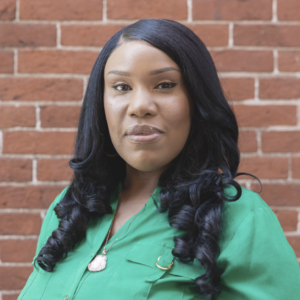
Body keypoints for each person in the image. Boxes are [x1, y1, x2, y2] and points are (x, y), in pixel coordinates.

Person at [18, 19, 300, 300]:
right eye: (121, 87)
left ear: (198, 99)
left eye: (165, 85)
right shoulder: (69, 210)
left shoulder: (239, 218)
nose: (140, 106)